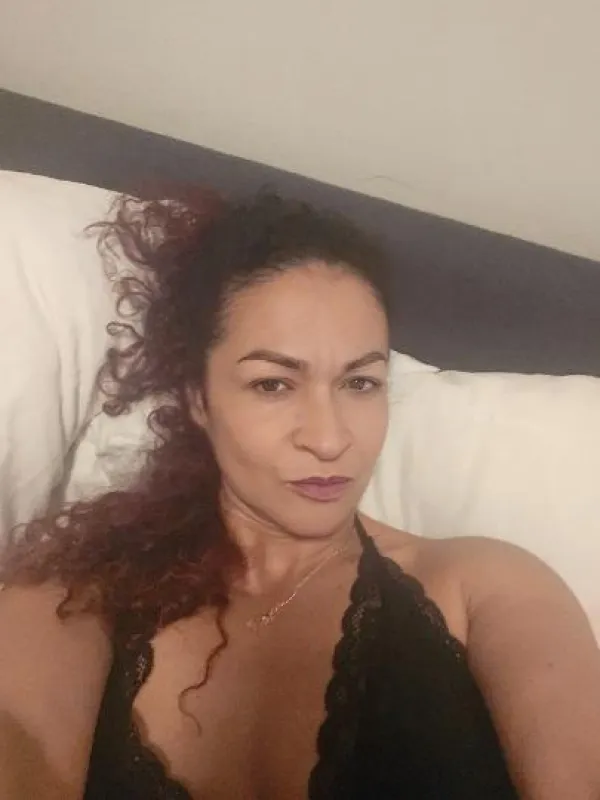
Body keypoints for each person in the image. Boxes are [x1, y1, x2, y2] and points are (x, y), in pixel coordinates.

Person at [0, 190, 599, 800]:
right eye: (273, 384)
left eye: (360, 382)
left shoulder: (484, 588)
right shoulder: (72, 596)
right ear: (197, 399)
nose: (330, 438)